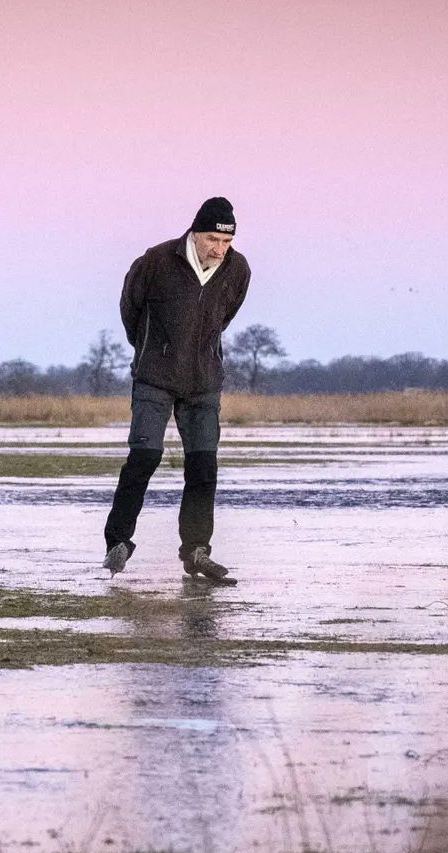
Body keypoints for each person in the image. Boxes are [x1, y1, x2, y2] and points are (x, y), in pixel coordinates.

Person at [102, 196, 250, 580]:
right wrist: (155, 348)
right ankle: (117, 542)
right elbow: (130, 309)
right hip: (155, 376)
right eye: (213, 241)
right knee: (144, 457)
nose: (219, 250)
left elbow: (224, 316)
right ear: (195, 233)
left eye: (226, 243)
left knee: (203, 466)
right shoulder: (156, 261)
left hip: (203, 382)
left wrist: (201, 352)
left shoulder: (237, 270)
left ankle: (196, 551)